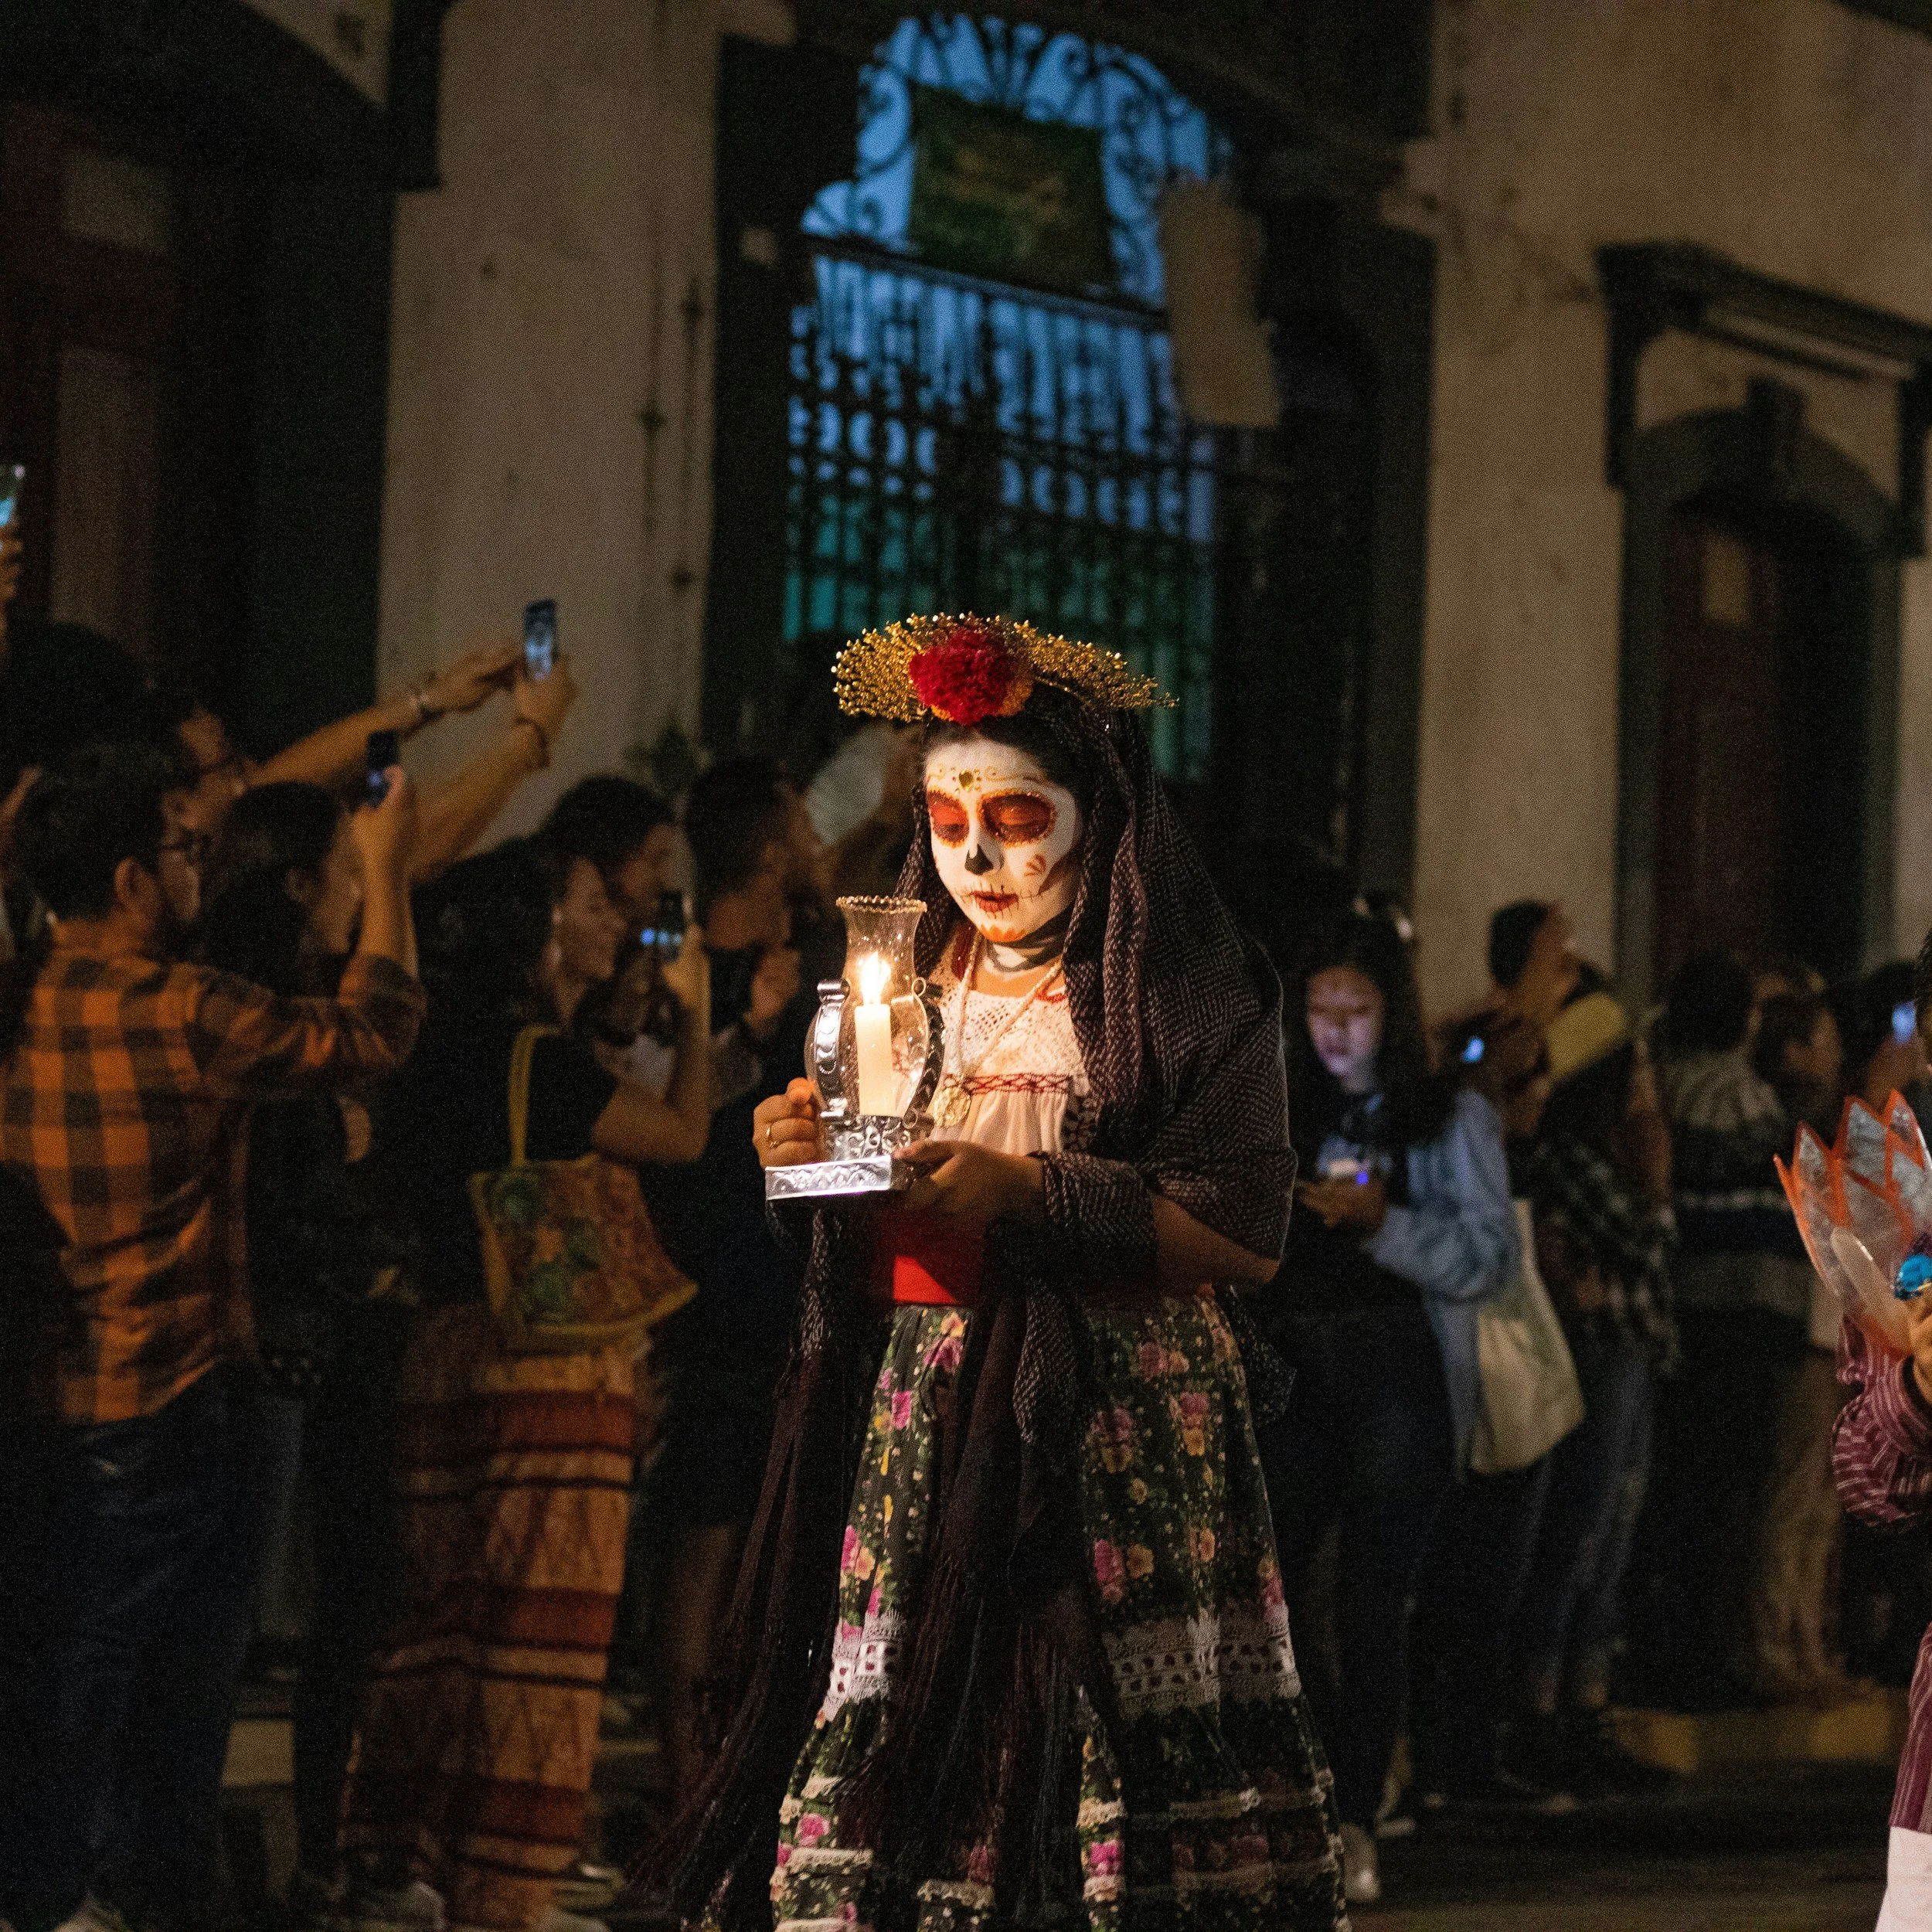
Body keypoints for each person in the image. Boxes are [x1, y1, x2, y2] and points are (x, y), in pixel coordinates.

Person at [652, 615, 1345, 1932]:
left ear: (1101, 817)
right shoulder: (901, 984)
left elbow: (1247, 1235)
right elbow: (864, 1210)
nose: (977, 854)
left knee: (1089, 1711)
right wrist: (801, 1160)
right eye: (949, 814)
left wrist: (1038, 1193)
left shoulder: (1179, 990)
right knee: (917, 1703)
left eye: (1019, 816)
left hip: (1123, 1421)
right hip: (922, 1412)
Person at [0, 739, 424, 1932]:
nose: (201, 870)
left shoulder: (14, 993)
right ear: (136, 881)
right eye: (185, 849)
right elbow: (372, 1033)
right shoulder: (184, 1009)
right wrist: (388, 873)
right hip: (160, 1387)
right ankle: (81, 1891)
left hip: (34, 1389)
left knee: (57, 1655)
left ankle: (58, 1883)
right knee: (151, 1674)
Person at [335, 825, 714, 1932]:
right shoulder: (536, 1061)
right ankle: (504, 1878)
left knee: (439, 1616)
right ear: (537, 931)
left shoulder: (434, 1050)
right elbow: (684, 1134)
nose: (609, 924)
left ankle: (395, 1855)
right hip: (546, 1356)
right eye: (589, 903)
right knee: (542, 1629)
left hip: (443, 1344)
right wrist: (689, 1018)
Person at [194, 783, 428, 1922]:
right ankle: (157, 1868)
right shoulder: (238, 1012)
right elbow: (386, 1025)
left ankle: (291, 1858)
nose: (357, 900)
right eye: (342, 876)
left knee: (276, 1609)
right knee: (208, 1626)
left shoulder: (258, 1011)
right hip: (252, 1349)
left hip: (296, 1345)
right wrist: (392, 870)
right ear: (295, 882)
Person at [1257, 905, 1517, 1898]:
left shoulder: (1447, 1116)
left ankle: (1356, 1812)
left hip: (1398, 1364)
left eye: (1355, 1007)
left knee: (1374, 1601)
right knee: (1272, 1581)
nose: (1334, 1028)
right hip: (1299, 1361)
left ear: (1388, 1013)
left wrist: (1383, 1225)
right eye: (1319, 1005)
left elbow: (1488, 1256)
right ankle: (1301, 1789)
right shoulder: (1281, 1108)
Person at [638, 759, 808, 1799]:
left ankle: (741, 1780)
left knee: (761, 1544)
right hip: (715, 1284)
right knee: (703, 1542)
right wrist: (742, 1028)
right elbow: (679, 1123)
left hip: (783, 1285)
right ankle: (687, 1788)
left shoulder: (802, 966)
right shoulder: (688, 974)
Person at [1507, 979, 1679, 1792]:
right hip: (1599, 1352)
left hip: (1634, 1348)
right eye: (1635, 1068)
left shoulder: (1602, 1153)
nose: (1648, 1084)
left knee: (1612, 1532)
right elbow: (1643, 1240)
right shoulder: (1573, 1156)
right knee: (1580, 1529)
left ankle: (1587, 1708)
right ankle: (1542, 1713)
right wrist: (1653, 1165)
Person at [1634, 950, 1809, 1707]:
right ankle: (1699, 1656)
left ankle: (1662, 1647)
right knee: (1720, 1500)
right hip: (1740, 1321)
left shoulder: (1663, 1088)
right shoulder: (1748, 1102)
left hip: (1676, 1313)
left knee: (1670, 1493)